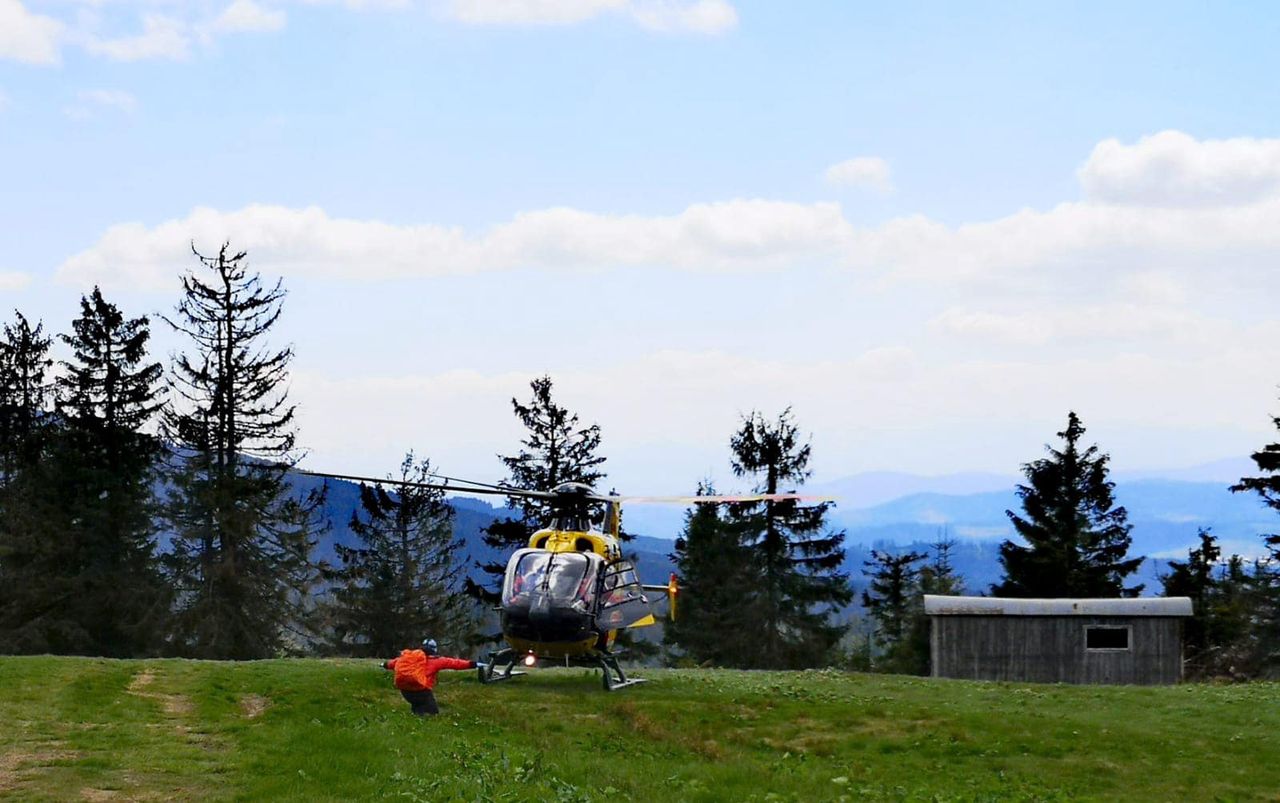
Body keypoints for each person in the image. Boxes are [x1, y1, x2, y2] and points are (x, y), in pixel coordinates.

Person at [382, 638, 479, 716]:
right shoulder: (437, 661)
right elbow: (455, 663)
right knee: (432, 714)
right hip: (422, 691)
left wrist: (384, 664)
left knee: (417, 708)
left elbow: (392, 664)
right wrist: (473, 664)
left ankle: (416, 720)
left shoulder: (410, 657)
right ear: (434, 649)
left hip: (405, 691)